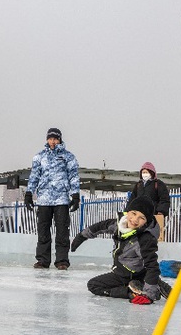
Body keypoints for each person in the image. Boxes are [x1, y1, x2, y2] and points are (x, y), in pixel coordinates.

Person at [74, 196, 168, 304]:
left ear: (146, 222)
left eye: (142, 218)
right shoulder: (118, 225)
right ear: (127, 212)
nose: (135, 220)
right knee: (93, 285)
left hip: (136, 273)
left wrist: (149, 295)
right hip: (120, 273)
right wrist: (81, 237)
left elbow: (152, 266)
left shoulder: (145, 239)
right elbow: (99, 227)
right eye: (133, 213)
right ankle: (131, 290)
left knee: (94, 285)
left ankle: (148, 285)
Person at [23, 127, 80, 270]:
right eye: (50, 138)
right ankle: (43, 260)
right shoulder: (39, 157)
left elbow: (73, 176)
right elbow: (34, 176)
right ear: (47, 140)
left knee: (62, 231)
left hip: (61, 199)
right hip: (44, 200)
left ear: (60, 140)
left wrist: (75, 195)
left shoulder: (68, 157)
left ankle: (62, 260)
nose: (52, 141)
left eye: (55, 139)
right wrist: (29, 194)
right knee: (43, 231)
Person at [126, 162, 171, 241]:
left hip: (152, 214)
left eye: (146, 172)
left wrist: (161, 212)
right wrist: (127, 211)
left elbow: (164, 199)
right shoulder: (138, 185)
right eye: (143, 172)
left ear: (152, 173)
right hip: (139, 215)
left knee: (150, 234)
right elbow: (132, 199)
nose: (144, 174)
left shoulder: (158, 184)